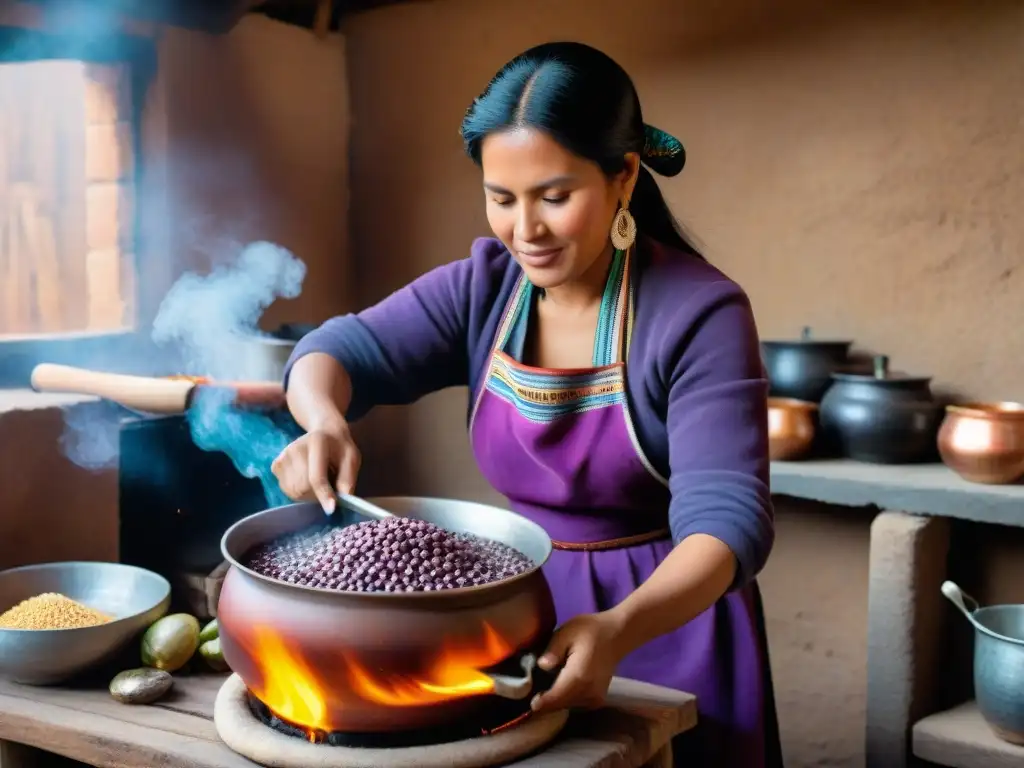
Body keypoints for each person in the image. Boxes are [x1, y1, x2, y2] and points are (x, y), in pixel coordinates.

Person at [271, 41, 783, 768]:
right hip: (517, 617)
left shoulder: (699, 312)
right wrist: (324, 419)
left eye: (554, 196)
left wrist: (618, 627)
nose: (525, 231)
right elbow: (334, 350)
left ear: (623, 177)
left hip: (665, 622)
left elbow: (726, 524)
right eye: (501, 198)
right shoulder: (483, 290)